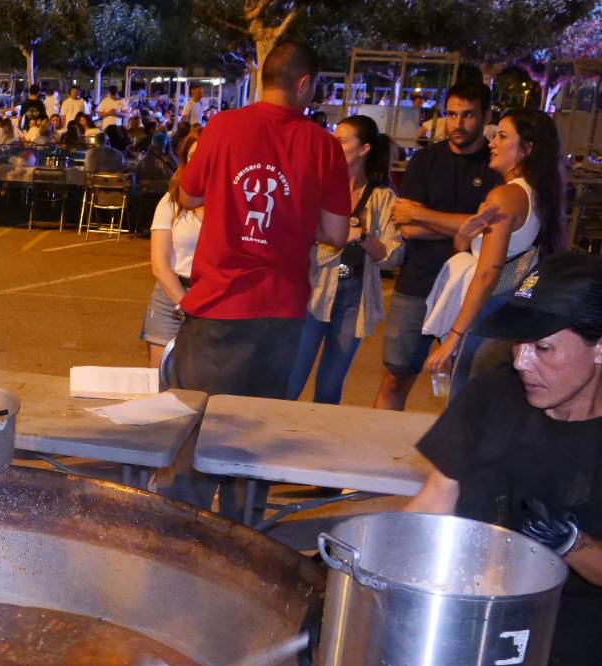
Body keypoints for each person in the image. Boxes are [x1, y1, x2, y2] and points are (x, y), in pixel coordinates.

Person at [373, 252, 602, 666]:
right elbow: (435, 500)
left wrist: (574, 544)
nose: (523, 361)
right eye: (519, 344)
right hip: (466, 643)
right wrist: (362, 579)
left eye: (545, 348)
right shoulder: (498, 392)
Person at [168, 42, 349, 515]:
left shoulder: (223, 127)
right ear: (305, 83)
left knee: (195, 434)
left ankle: (174, 539)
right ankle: (242, 545)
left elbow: (187, 197)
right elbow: (335, 233)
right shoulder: (323, 145)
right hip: (281, 312)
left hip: (216, 306)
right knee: (255, 443)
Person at [373, 81, 501, 410]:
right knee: (395, 378)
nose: (457, 123)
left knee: (461, 388)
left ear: (486, 116)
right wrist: (467, 225)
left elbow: (492, 231)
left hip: (470, 293)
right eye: (451, 114)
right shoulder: (425, 161)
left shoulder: (497, 168)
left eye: (468, 115)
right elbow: (408, 227)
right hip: (417, 285)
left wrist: (424, 215)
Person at [422, 108, 564, 396]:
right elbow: (469, 252)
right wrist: (466, 231)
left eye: (502, 136)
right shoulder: (535, 194)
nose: (492, 143)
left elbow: (487, 273)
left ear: (527, 149)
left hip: (487, 311)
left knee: (466, 407)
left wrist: (454, 339)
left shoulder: (507, 196)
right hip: (506, 308)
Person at [287, 115, 404, 404]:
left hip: (354, 293)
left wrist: (362, 236)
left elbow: (393, 256)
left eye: (341, 140)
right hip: (314, 289)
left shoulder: (382, 197)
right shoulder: (318, 185)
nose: (333, 144)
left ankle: (317, 445)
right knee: (291, 377)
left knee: (330, 385)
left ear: (363, 149)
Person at [141, 133, 202, 368]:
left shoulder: (228, 203)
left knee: (202, 384)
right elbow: (159, 265)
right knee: (161, 383)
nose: (200, 163)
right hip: (171, 300)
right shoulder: (170, 202)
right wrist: (185, 304)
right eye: (193, 157)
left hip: (212, 299)